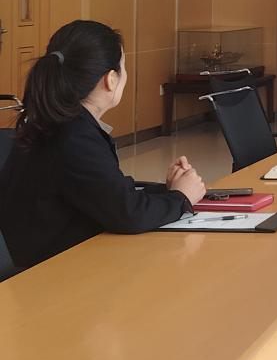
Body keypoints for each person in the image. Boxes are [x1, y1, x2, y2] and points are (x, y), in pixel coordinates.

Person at [0, 21, 207, 273]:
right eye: (123, 67)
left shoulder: (59, 123)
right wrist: (180, 198)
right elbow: (128, 214)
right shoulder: (75, 135)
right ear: (110, 79)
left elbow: (105, 191)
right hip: (55, 273)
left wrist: (168, 190)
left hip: (53, 260)